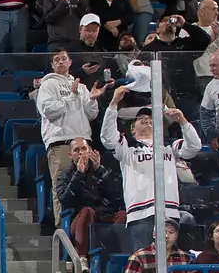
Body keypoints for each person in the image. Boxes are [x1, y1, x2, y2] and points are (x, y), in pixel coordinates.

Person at [102, 89, 202, 246]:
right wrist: (113, 104)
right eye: (141, 118)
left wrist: (183, 121)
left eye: (150, 118)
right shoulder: (128, 148)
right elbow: (107, 138)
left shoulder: (169, 146)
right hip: (140, 215)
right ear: (132, 129)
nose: (147, 119)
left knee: (168, 265)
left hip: (169, 213)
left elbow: (194, 147)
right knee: (144, 265)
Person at [38, 52, 104, 218]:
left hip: (83, 141)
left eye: (64, 59)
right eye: (56, 60)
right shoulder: (48, 85)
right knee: (61, 185)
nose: (60, 62)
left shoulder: (81, 87)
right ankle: (62, 227)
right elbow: (48, 110)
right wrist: (70, 96)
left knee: (87, 183)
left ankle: (86, 223)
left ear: (70, 62)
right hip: (60, 142)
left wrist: (92, 100)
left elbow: (91, 114)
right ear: (52, 65)